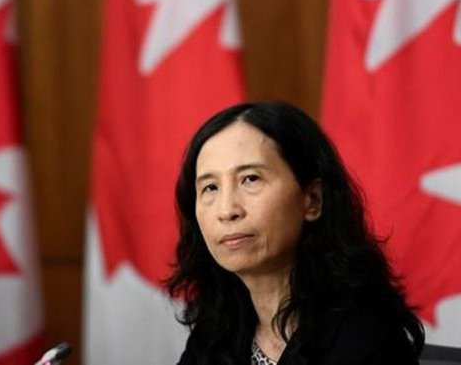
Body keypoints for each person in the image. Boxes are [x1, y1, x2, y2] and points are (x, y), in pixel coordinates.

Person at [167, 101, 424, 365]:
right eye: (210, 187)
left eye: (251, 179)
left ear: (312, 200)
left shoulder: (363, 338)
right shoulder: (217, 330)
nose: (227, 210)